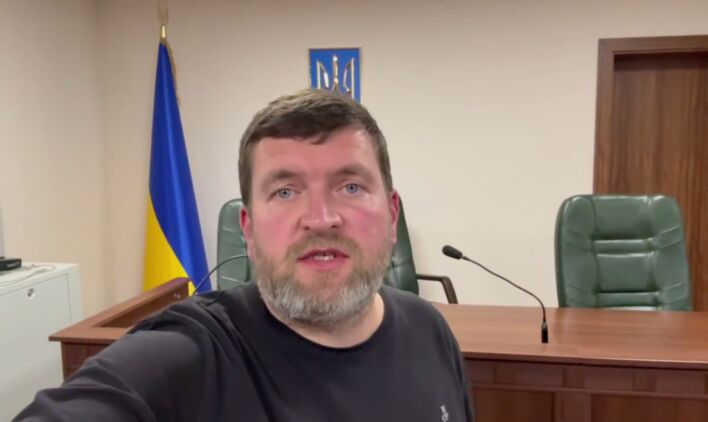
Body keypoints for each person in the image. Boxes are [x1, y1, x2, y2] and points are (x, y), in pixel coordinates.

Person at [15, 89, 474, 421]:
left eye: (351, 186)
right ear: (248, 229)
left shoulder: (430, 330)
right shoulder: (190, 356)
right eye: (285, 191)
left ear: (392, 215)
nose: (320, 219)